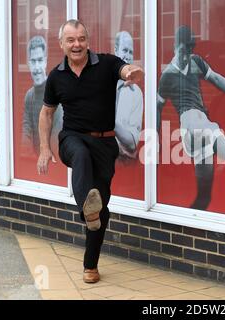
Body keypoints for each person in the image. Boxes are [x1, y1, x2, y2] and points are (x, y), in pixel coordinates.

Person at [36, 20, 144, 283]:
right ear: (61, 44)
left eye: (81, 39)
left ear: (88, 41)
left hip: (105, 144)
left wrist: (130, 71)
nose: (77, 45)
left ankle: (90, 266)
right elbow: (47, 112)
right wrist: (43, 149)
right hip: (72, 140)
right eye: (71, 40)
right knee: (81, 157)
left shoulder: (105, 63)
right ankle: (88, 210)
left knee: (101, 206)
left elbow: (122, 68)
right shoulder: (56, 76)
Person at [157, 26, 225, 211]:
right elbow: (157, 107)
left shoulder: (196, 62)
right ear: (174, 46)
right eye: (182, 51)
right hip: (188, 121)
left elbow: (216, 79)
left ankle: (194, 218)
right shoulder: (167, 76)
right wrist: (156, 138)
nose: (186, 56)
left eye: (189, 51)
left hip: (201, 128)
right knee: (205, 125)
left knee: (204, 197)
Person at [22, 35, 63, 155]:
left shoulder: (56, 92)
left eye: (40, 60)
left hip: (53, 159)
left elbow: (57, 136)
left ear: (45, 61)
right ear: (28, 63)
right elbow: (26, 130)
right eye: (33, 61)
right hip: (35, 161)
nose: (36, 68)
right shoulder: (29, 96)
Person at [114, 31, 143, 160]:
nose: (128, 56)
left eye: (131, 53)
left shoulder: (135, 93)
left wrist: (108, 121)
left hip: (122, 161)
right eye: (125, 50)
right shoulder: (100, 83)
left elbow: (132, 143)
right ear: (116, 51)